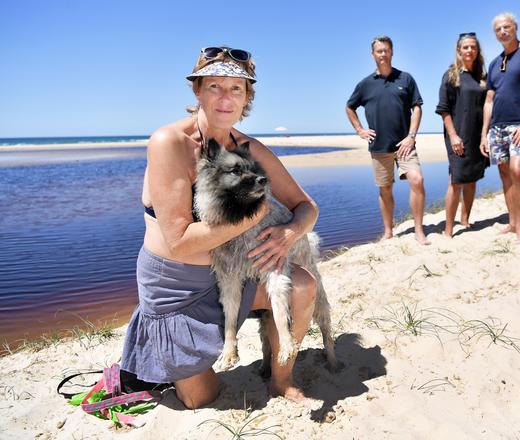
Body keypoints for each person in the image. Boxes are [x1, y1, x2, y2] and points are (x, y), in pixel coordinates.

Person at [121, 46, 319, 409]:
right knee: (199, 398)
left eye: (236, 89)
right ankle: (159, 364)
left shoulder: (250, 148)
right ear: (197, 91)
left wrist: (289, 233)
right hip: (176, 289)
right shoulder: (171, 143)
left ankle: (281, 380)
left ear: (247, 98)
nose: (225, 98)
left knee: (302, 285)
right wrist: (257, 215)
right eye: (215, 86)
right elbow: (179, 242)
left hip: (233, 278)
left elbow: (307, 207)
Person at [345, 35, 429, 245]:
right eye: (379, 51)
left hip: (405, 144)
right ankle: (388, 231)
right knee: (385, 189)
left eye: (386, 50)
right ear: (373, 54)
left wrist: (411, 136)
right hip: (379, 146)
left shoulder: (405, 79)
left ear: (392, 52)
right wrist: (360, 130)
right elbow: (350, 107)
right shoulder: (365, 84)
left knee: (417, 180)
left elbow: (417, 106)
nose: (383, 54)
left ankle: (419, 230)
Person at [479, 12, 520, 240]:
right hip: (496, 127)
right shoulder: (495, 63)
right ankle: (512, 221)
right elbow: (489, 101)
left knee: (518, 171)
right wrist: (483, 134)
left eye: (506, 27)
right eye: (498, 29)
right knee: (505, 174)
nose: (503, 32)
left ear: (515, 27)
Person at [436, 32, 489, 236]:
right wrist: (453, 136)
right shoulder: (451, 75)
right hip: (458, 135)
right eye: (465, 47)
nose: (469, 50)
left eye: (473, 47)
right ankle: (448, 229)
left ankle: (465, 220)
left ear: (477, 51)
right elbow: (443, 108)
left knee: (472, 178)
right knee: (456, 180)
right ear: (459, 50)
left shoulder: (481, 77)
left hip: (477, 135)